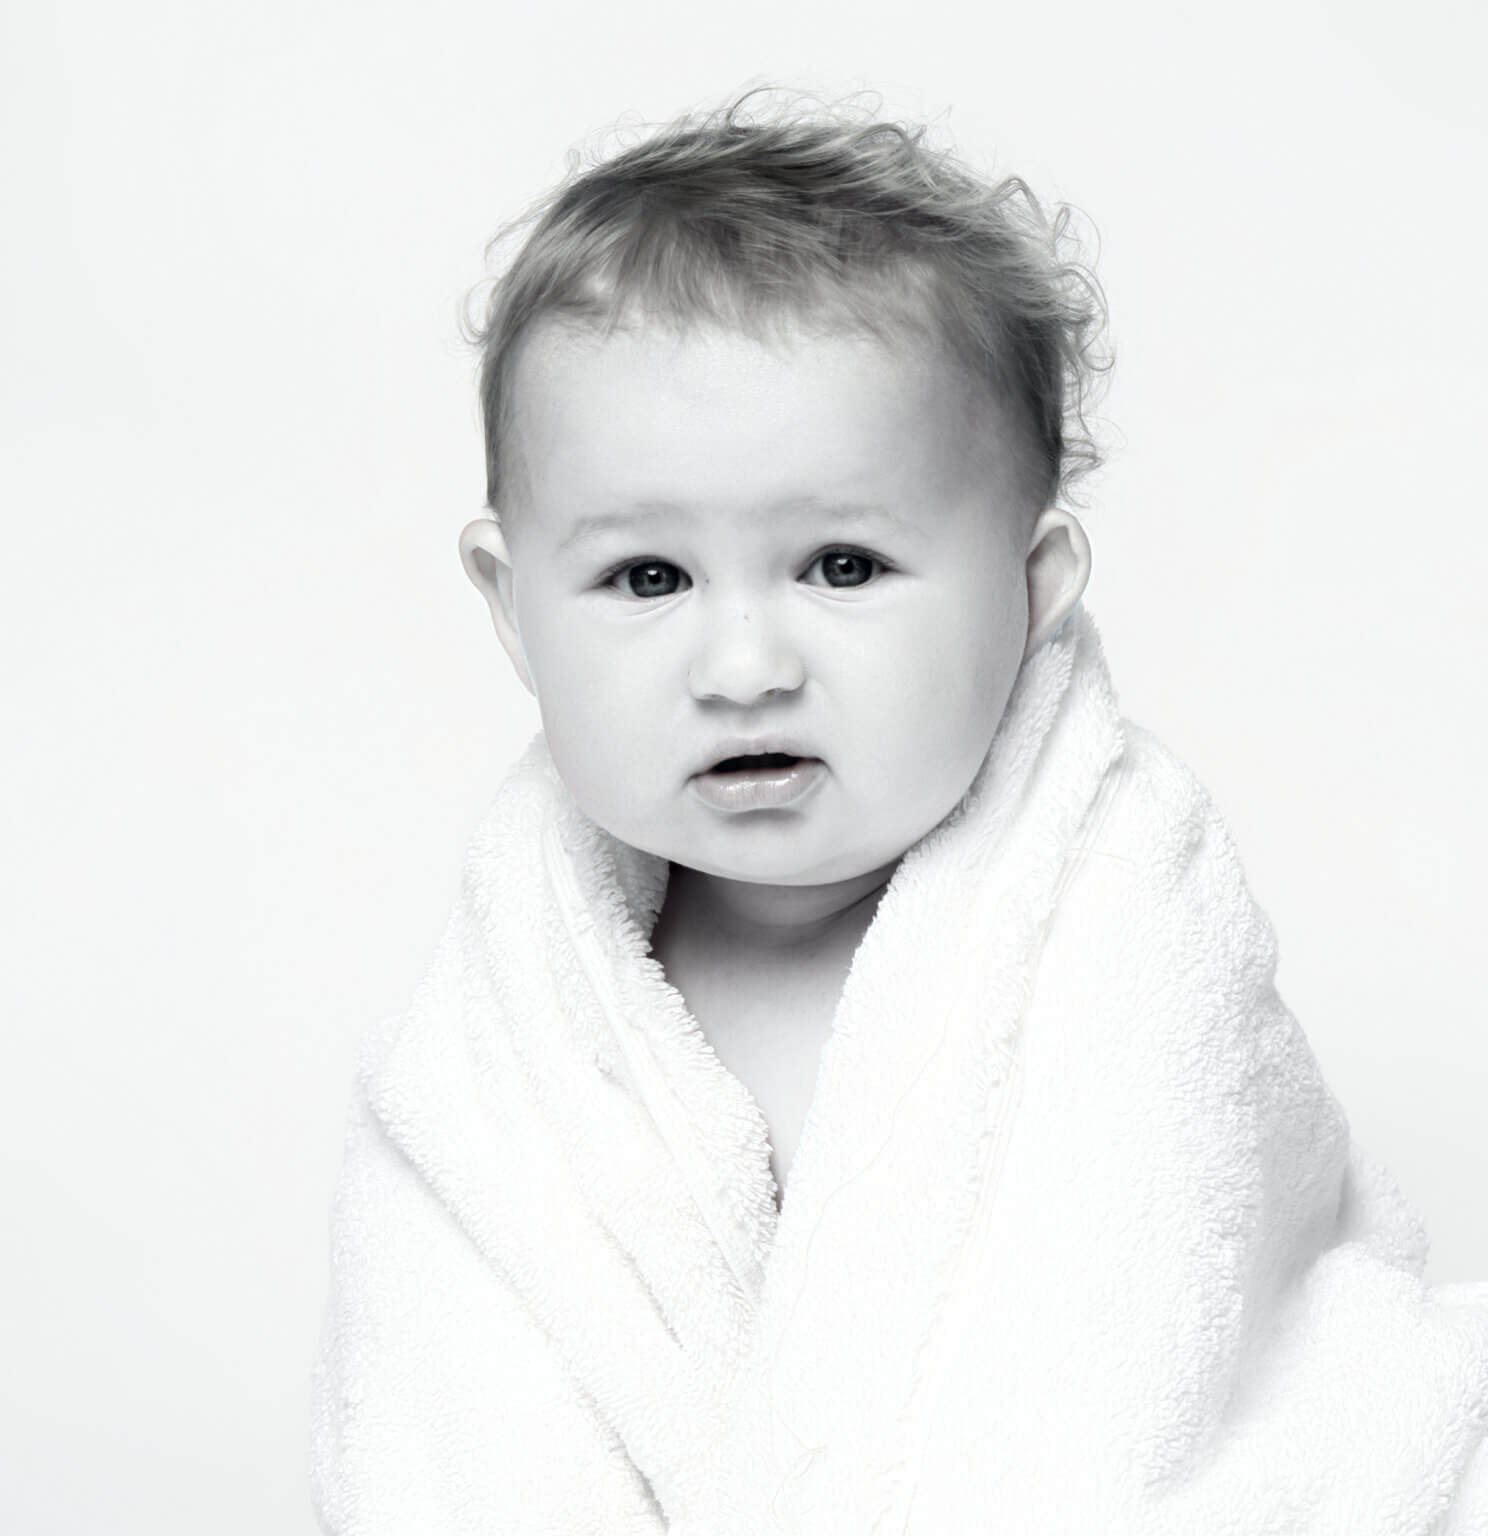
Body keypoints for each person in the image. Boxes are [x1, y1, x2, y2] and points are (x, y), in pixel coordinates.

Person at [310, 93, 1488, 1534]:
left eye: (846, 567)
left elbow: (1166, 1364)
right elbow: (452, 1406)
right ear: (512, 607)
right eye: (647, 580)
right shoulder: (510, 1041)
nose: (745, 668)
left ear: (1034, 583)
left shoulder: (1115, 936)